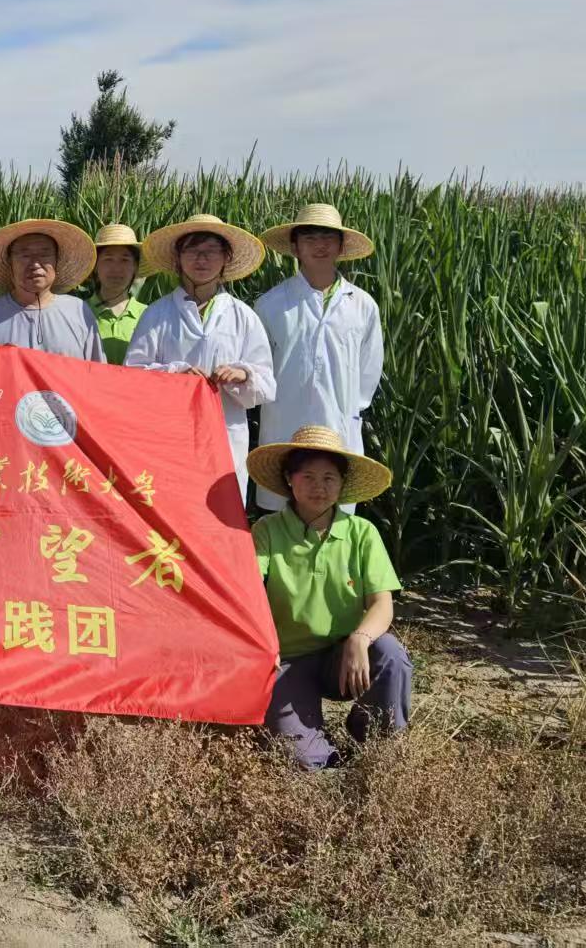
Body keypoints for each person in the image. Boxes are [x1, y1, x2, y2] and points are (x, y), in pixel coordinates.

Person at [246, 425, 409, 771]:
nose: (318, 487)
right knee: (303, 762)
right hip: (287, 662)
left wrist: (359, 639)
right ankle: (322, 753)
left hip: (345, 657)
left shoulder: (362, 533)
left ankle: (371, 737)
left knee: (390, 654)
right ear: (289, 479)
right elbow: (248, 593)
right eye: (308, 476)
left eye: (329, 478)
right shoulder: (267, 531)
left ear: (342, 484)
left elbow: (382, 603)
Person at [127, 214, 276, 496]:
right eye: (192, 250)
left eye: (211, 251)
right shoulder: (157, 314)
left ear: (226, 257)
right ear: (178, 258)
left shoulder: (243, 316)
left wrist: (243, 374)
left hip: (226, 434)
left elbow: (267, 384)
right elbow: (133, 376)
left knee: (221, 509)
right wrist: (175, 374)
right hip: (169, 436)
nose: (201, 259)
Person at [253, 204, 383, 515]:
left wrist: (346, 407)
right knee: (279, 519)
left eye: (328, 238)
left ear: (341, 246)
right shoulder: (271, 304)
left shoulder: (363, 305)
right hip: (283, 427)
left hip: (340, 427)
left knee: (335, 521)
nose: (319, 246)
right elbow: (260, 370)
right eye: (309, 238)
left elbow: (367, 374)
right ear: (295, 247)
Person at [0, 219, 103, 361]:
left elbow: (97, 371)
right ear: (10, 263)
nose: (35, 264)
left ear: (57, 261)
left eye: (44, 255)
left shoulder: (79, 312)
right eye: (25, 255)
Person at [85, 223, 150, 364]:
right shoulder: (80, 313)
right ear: (95, 266)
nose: (116, 268)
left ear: (135, 267)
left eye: (125, 260)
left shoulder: (149, 315)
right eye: (108, 259)